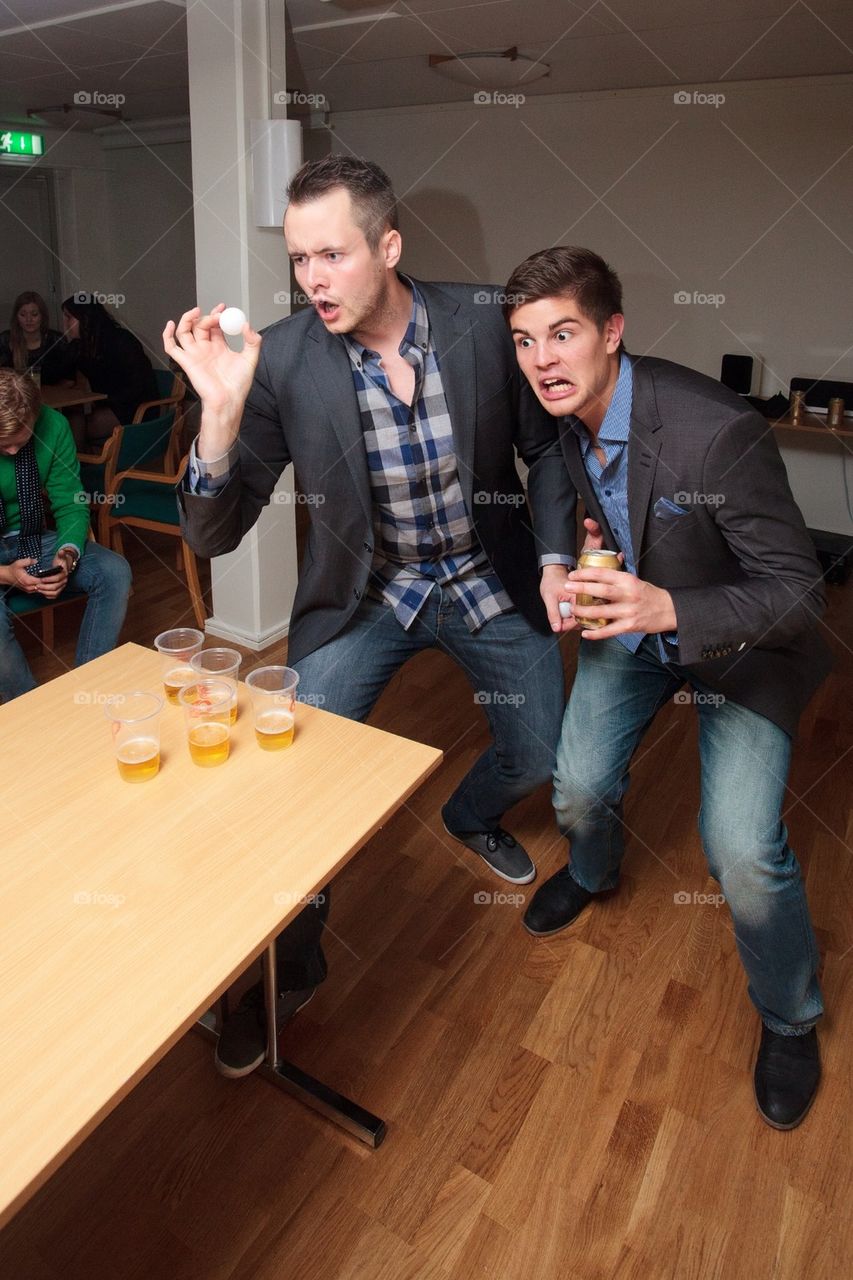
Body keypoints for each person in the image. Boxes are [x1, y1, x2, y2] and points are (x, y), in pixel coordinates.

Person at [165, 156, 574, 1079]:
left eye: (333, 255)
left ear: (388, 247)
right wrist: (218, 419)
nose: (311, 279)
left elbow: (544, 451)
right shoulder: (280, 361)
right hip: (367, 598)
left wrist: (551, 557)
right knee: (291, 773)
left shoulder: (481, 322)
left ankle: (468, 816)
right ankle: (284, 966)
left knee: (541, 754)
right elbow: (211, 533)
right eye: (299, 257)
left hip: (484, 579)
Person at [504, 245, 832, 1130]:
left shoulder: (713, 429)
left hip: (739, 647)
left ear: (612, 332)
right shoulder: (560, 411)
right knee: (575, 788)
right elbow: (556, 479)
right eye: (525, 340)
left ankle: (791, 1016)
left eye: (563, 333)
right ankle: (594, 872)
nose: (542, 359)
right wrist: (564, 559)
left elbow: (800, 593)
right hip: (633, 619)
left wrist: (666, 606)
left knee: (739, 851)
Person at [0, 370, 132, 701]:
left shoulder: (53, 426)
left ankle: (86, 691)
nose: (14, 452)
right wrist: (7, 575)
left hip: (30, 537)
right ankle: (26, 705)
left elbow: (71, 503)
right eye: (4, 444)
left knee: (114, 571)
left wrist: (67, 555)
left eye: (22, 439)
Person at [60, 294, 158, 446]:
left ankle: (79, 465)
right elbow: (61, 372)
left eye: (69, 317)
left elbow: (140, 384)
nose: (65, 323)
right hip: (107, 405)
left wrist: (104, 399)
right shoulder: (79, 346)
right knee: (71, 416)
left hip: (135, 406)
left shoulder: (120, 340)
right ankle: (80, 464)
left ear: (85, 318)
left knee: (71, 429)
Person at [0, 291, 75, 386]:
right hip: (17, 398)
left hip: (54, 398)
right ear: (16, 318)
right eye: (23, 315)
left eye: (34, 314)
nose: (29, 320)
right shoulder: (5, 340)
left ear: (42, 316)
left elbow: (69, 379)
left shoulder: (56, 340)